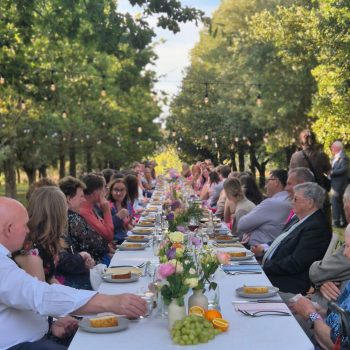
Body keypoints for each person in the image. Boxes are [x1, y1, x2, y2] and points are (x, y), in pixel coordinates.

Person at [0, 196, 146, 350]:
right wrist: (110, 302)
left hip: (37, 336)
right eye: (25, 225)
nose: (28, 230)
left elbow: (17, 301)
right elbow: (40, 295)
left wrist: (51, 324)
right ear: (9, 229)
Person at [263, 182, 332, 294]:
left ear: (309, 203)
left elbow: (295, 263)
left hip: (288, 282)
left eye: (295, 199)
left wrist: (264, 267)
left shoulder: (317, 227)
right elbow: (281, 241)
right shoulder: (299, 218)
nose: (291, 202)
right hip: (276, 271)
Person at [292, 224, 350, 349]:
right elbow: (341, 319)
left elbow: (337, 344)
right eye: (344, 246)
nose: (344, 253)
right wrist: (318, 309)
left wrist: (311, 314)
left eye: (349, 246)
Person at [251, 167, 315, 257]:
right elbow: (284, 238)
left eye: (289, 184)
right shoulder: (299, 213)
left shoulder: (311, 221)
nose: (286, 188)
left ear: (302, 184)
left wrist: (265, 266)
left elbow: (295, 259)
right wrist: (264, 247)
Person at [308, 185, 350, 308]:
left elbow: (317, 273)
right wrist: (323, 283)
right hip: (326, 310)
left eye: (345, 205)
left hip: (326, 313)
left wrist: (313, 316)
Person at [59, 176, 109, 264]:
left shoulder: (66, 217)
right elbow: (99, 244)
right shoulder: (73, 219)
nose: (84, 200)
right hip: (91, 265)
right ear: (69, 198)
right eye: (81, 196)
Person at [237, 169, 292, 246]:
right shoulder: (290, 201)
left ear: (276, 182)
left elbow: (242, 225)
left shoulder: (272, 203)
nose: (265, 186)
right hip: (274, 248)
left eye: (267, 182)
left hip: (258, 251)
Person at [79, 173, 114, 242]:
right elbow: (109, 235)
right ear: (96, 192)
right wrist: (106, 211)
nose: (106, 191)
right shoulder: (84, 211)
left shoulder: (90, 207)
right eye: (104, 188)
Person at [330, 141, 349, 227]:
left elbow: (344, 169)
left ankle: (337, 221)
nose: (331, 149)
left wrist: (332, 173)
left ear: (338, 148)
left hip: (339, 183)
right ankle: (342, 221)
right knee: (337, 203)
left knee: (336, 202)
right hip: (334, 183)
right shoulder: (335, 157)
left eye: (333, 147)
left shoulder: (343, 157)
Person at [107, 178, 131, 244]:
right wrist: (118, 217)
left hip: (125, 238)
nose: (119, 193)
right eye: (116, 190)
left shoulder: (126, 204)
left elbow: (127, 225)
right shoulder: (107, 206)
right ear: (111, 191)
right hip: (116, 242)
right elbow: (107, 228)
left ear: (126, 191)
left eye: (122, 190)